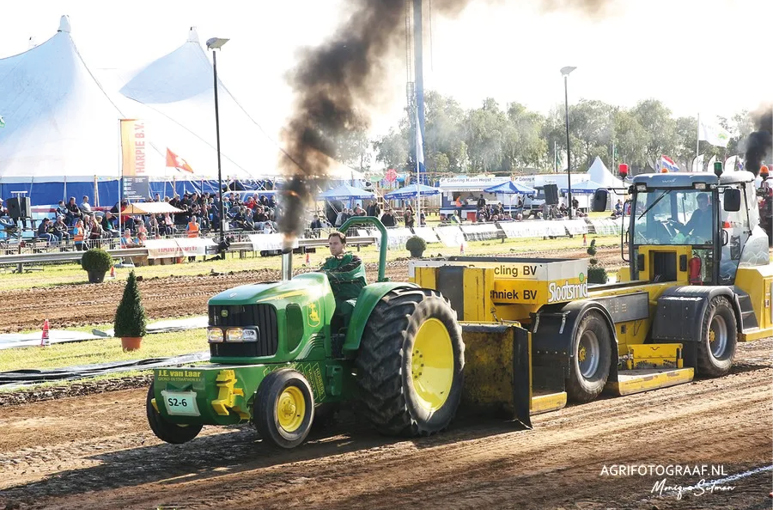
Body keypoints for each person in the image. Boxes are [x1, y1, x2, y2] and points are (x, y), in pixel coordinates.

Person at [320, 231, 367, 336]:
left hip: (355, 297)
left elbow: (346, 271)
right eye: (330, 244)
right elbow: (320, 274)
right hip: (336, 296)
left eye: (335, 243)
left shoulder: (354, 260)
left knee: (347, 306)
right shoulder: (329, 262)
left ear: (344, 244)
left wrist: (327, 273)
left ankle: (349, 336)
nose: (332, 247)